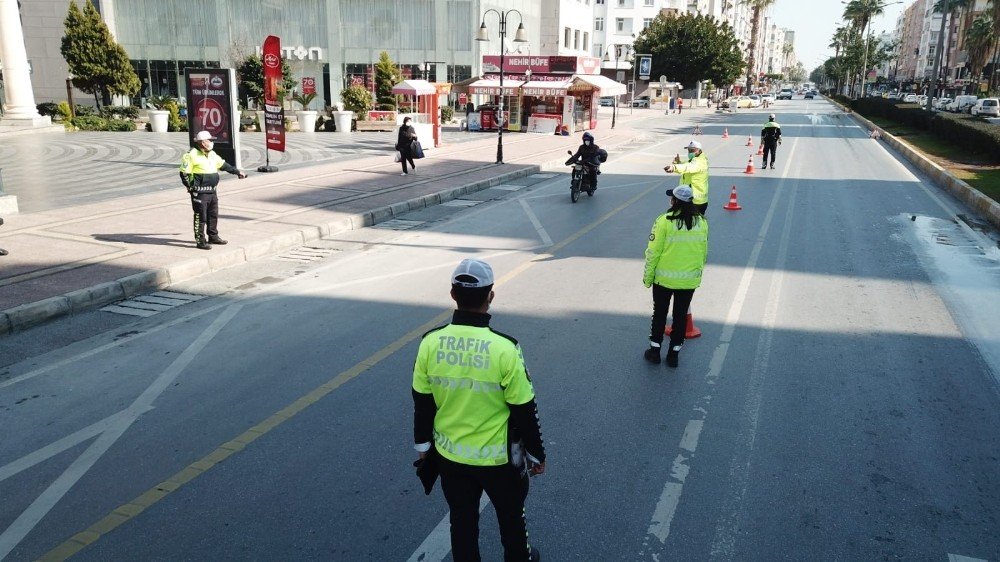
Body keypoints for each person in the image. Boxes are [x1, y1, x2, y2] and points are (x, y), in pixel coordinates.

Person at [412, 258, 545, 562]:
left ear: (452, 294)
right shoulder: (505, 348)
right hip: (498, 460)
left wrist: (423, 448)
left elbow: (422, 402)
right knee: (511, 518)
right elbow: (525, 409)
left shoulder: (429, 343)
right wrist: (537, 454)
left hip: (451, 457)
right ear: (491, 296)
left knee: (462, 521)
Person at [642, 185, 709, 368]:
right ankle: (673, 356)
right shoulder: (702, 222)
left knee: (660, 314)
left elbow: (653, 252)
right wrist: (696, 276)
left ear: (674, 201)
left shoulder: (664, 220)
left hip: (663, 279)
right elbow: (702, 253)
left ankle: (655, 352)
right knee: (680, 317)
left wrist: (648, 277)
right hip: (688, 281)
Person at [179, 131, 246, 250]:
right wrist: (191, 187)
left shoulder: (212, 154)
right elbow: (184, 173)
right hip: (200, 192)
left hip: (212, 191)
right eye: (209, 140)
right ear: (202, 143)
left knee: (213, 214)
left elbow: (223, 165)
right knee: (201, 216)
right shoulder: (190, 155)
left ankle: (213, 236)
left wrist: (237, 172)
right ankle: (200, 240)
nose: (211, 142)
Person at [663, 140, 709, 215]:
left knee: (692, 224)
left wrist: (674, 167)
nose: (690, 152)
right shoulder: (695, 160)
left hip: (696, 201)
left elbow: (688, 167)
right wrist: (678, 163)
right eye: (689, 150)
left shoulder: (700, 162)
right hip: (691, 199)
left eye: (692, 150)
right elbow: (686, 165)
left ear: (699, 150)